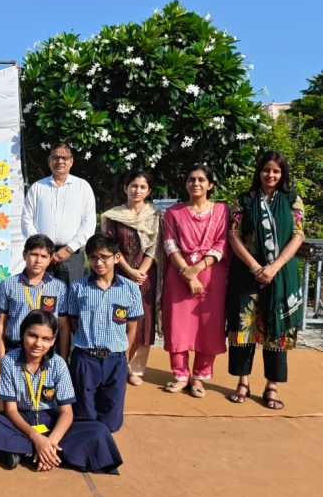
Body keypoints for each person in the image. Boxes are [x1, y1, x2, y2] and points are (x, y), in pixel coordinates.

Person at [0, 310, 122, 473]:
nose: (38, 344)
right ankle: (50, 454)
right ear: (22, 333)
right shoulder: (9, 361)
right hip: (21, 420)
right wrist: (37, 439)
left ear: (53, 341)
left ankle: (29, 452)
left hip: (50, 420)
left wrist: (51, 442)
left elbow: (66, 413)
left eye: (46, 339)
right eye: (32, 335)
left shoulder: (58, 364)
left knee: (99, 431)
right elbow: (11, 411)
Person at [226, 152, 304, 409]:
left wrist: (275, 266)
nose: (270, 175)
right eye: (266, 170)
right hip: (247, 273)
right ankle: (243, 381)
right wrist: (255, 266)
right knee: (243, 329)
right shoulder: (244, 200)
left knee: (277, 329)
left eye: (276, 171)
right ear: (259, 171)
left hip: (281, 274)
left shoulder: (292, 200)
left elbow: (298, 235)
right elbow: (233, 234)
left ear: (283, 174)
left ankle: (272, 385)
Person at [161, 164, 230, 398]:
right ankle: (181, 375)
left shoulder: (222, 211)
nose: (196, 183)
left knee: (208, 325)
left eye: (201, 179)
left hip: (210, 274)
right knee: (178, 324)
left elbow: (222, 242)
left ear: (210, 185)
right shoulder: (173, 212)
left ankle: (199, 376)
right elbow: (169, 244)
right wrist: (187, 272)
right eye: (191, 179)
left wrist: (197, 269)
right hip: (179, 273)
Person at [66, 233, 143, 432]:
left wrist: (124, 357)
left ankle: (104, 444)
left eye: (104, 257)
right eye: (93, 257)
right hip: (85, 359)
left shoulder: (130, 289)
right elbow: (74, 323)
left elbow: (131, 328)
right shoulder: (78, 288)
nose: (98, 262)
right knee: (84, 414)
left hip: (115, 360)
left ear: (116, 258)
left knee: (112, 417)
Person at [100, 169, 161, 386]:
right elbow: (111, 246)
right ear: (126, 188)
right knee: (119, 319)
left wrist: (140, 272)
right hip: (119, 273)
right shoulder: (113, 216)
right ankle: (118, 365)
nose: (138, 190)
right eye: (134, 186)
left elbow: (154, 246)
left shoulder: (155, 215)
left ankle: (134, 368)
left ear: (149, 191)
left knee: (143, 321)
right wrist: (129, 271)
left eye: (143, 187)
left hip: (146, 276)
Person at [20, 142, 96, 286]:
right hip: (42, 256)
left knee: (72, 296)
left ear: (71, 161)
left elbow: (89, 223)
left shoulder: (83, 187)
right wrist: (41, 249)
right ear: (49, 161)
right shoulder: (37, 188)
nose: (60, 161)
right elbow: (26, 221)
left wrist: (69, 249)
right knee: (40, 295)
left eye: (64, 158)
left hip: (72, 255)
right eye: (55, 158)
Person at [0, 234, 69, 361]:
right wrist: (2, 360)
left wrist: (63, 359)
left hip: (46, 350)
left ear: (50, 259)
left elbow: (64, 327)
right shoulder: (7, 285)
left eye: (44, 256)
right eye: (34, 254)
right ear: (24, 255)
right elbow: (1, 323)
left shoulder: (59, 287)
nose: (38, 260)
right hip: (14, 348)